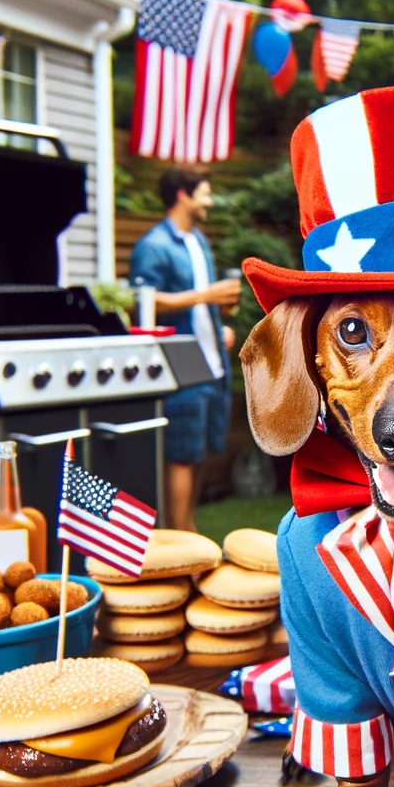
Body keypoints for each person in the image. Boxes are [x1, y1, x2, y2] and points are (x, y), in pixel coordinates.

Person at [130, 170, 238, 532]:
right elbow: (144, 301)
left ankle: (188, 530)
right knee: (181, 454)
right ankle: (179, 538)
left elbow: (197, 306)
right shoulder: (154, 245)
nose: (209, 202)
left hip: (212, 364)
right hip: (180, 365)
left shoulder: (199, 241)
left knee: (201, 453)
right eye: (205, 194)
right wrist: (205, 297)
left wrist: (216, 325)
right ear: (182, 195)